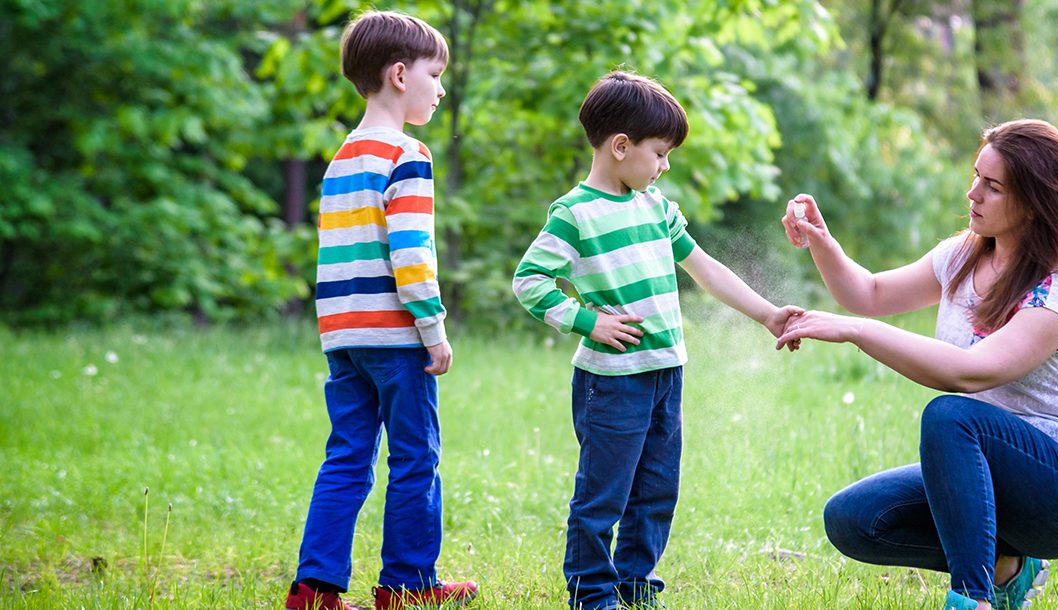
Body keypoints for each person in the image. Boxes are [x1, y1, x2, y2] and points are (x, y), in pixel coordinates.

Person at [775, 119, 1058, 610]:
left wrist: (856, 331)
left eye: (992, 186)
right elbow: (867, 293)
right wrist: (820, 239)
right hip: (988, 471)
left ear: (1034, 202)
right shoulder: (961, 257)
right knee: (853, 518)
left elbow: (969, 372)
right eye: (976, 176)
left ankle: (971, 599)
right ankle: (1009, 569)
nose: (972, 192)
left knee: (952, 415)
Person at [513, 71, 803, 610]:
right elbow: (528, 281)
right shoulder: (574, 214)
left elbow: (705, 268)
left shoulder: (656, 208)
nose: (665, 165)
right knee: (604, 496)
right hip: (612, 382)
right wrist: (585, 321)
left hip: (667, 372)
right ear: (620, 147)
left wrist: (767, 314)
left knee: (655, 491)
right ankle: (592, 594)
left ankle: (635, 585)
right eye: (660, 153)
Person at [286, 10, 477, 610]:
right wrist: (434, 329)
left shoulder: (341, 158)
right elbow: (412, 253)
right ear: (400, 75)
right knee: (416, 460)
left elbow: (338, 254)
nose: (440, 88)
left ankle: (314, 588)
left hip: (343, 338)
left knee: (345, 458)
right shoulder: (407, 153)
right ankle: (409, 584)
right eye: (434, 74)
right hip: (397, 339)